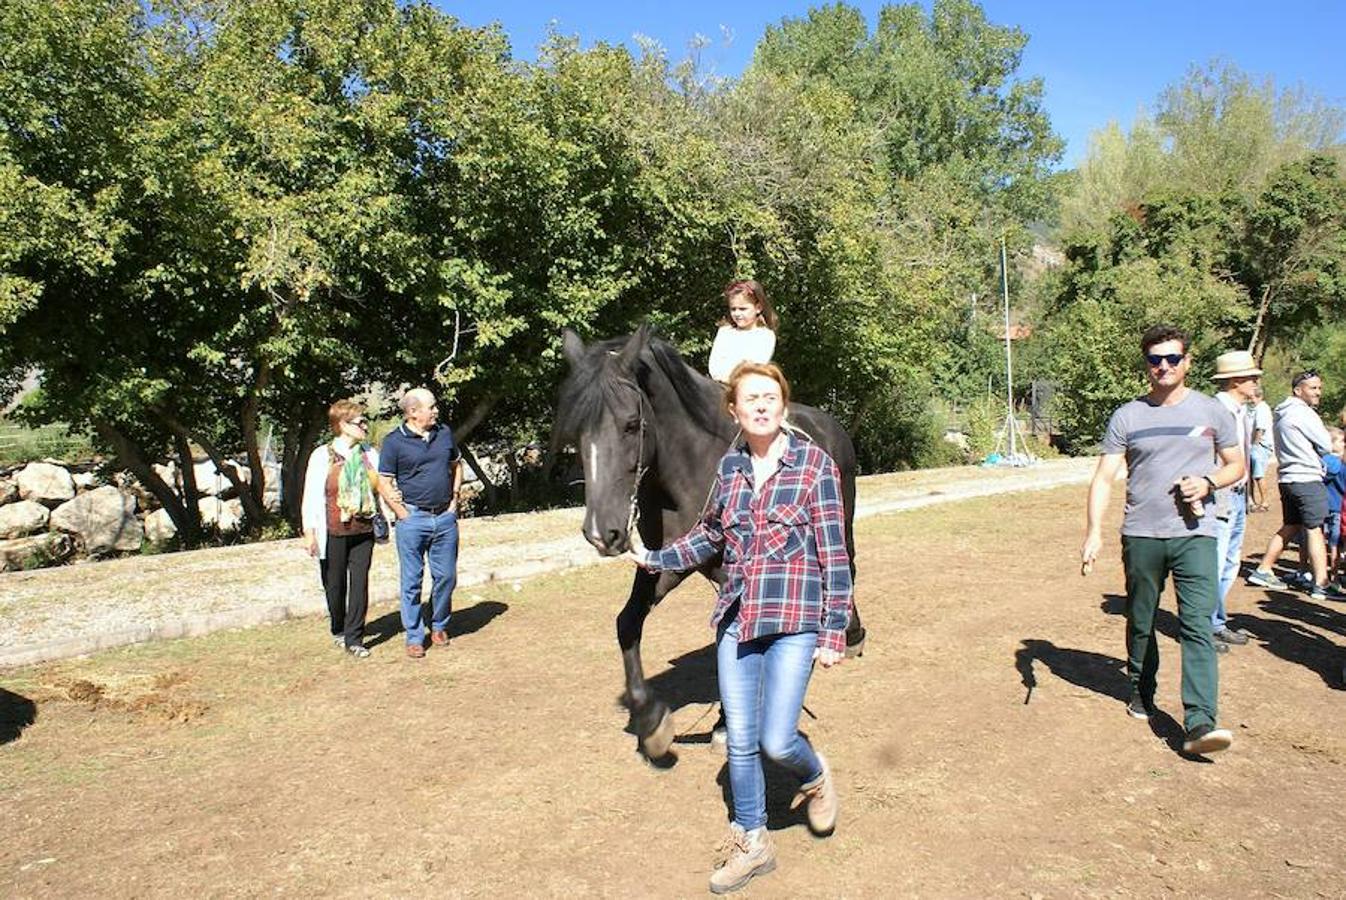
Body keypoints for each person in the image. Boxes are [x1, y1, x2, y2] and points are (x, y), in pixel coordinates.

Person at [629, 361, 849, 894]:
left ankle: (815, 777)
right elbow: (709, 536)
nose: (761, 405)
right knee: (741, 743)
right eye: (750, 398)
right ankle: (754, 842)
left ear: (783, 404)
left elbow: (834, 553)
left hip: (794, 619)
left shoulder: (814, 465)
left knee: (776, 739)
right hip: (736, 619)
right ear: (734, 410)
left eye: (770, 396)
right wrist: (654, 555)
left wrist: (833, 631)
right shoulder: (729, 468)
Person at [1081, 325, 1243, 756]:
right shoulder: (1127, 416)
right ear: (1146, 365)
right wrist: (1093, 531)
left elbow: (1236, 465)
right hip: (1142, 534)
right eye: (1155, 360)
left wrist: (1208, 482)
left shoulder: (1212, 412)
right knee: (1141, 618)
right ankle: (1140, 688)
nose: (1164, 367)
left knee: (1197, 626)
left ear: (1187, 362)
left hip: (1196, 535)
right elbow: (1104, 476)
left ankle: (1199, 721)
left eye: (1172, 358)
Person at [377, 388, 463, 659]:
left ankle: (438, 624)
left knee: (447, 577)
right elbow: (383, 480)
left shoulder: (444, 433)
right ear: (413, 412)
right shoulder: (394, 442)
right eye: (431, 407)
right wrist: (400, 511)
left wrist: (454, 501)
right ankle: (414, 636)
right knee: (412, 581)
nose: (436, 411)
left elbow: (456, 465)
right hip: (413, 519)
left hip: (444, 518)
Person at [1246, 371, 1341, 602]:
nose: (1318, 392)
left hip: (1287, 478)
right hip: (1306, 478)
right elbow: (1327, 443)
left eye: (1319, 388)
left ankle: (1264, 569)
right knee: (1314, 529)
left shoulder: (1281, 413)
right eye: (1313, 388)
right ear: (1298, 390)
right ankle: (1321, 583)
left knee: (1291, 525)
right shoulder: (1304, 414)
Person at [301, 400, 383, 659]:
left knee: (359, 583)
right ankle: (339, 627)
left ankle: (354, 638)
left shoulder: (370, 454)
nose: (364, 426)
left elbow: (380, 488)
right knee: (335, 586)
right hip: (332, 530)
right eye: (359, 422)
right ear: (343, 425)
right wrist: (309, 532)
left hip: (363, 529)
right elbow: (311, 496)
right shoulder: (321, 455)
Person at [1209, 350, 1261, 653]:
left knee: (1230, 559)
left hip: (1237, 493)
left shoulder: (1241, 411)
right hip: (1222, 493)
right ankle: (1207, 625)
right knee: (1215, 561)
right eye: (1252, 377)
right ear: (1237, 380)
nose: (1255, 382)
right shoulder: (1217, 411)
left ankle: (1216, 621)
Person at [707, 279, 778, 384]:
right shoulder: (725, 332)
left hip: (747, 387)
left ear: (758, 308)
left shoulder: (765, 336)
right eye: (733, 309)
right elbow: (714, 366)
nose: (737, 314)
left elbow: (754, 368)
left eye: (743, 309)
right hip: (720, 386)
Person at [1323, 427, 1345, 585]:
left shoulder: (1322, 460)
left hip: (1324, 506)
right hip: (1338, 508)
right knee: (1335, 543)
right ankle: (1335, 578)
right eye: (1342, 441)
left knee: (1321, 541)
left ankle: (1319, 574)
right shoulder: (1339, 464)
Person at [1248, 385, 1274, 512]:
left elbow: (1260, 428)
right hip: (1255, 446)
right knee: (1250, 475)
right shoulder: (1254, 408)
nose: (1250, 400)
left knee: (1258, 475)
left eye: (1253, 397)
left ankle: (1264, 502)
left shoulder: (1262, 408)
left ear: (1260, 396)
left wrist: (1255, 445)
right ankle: (1251, 501)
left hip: (1260, 446)